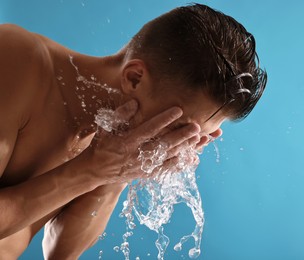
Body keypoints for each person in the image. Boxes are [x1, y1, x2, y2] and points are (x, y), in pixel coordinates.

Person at [0, 3, 267, 259]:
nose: (179, 145)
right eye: (178, 128)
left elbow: (61, 252)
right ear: (134, 79)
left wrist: (120, 173)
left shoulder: (114, 139)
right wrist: (90, 170)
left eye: (195, 137)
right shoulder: (16, 58)